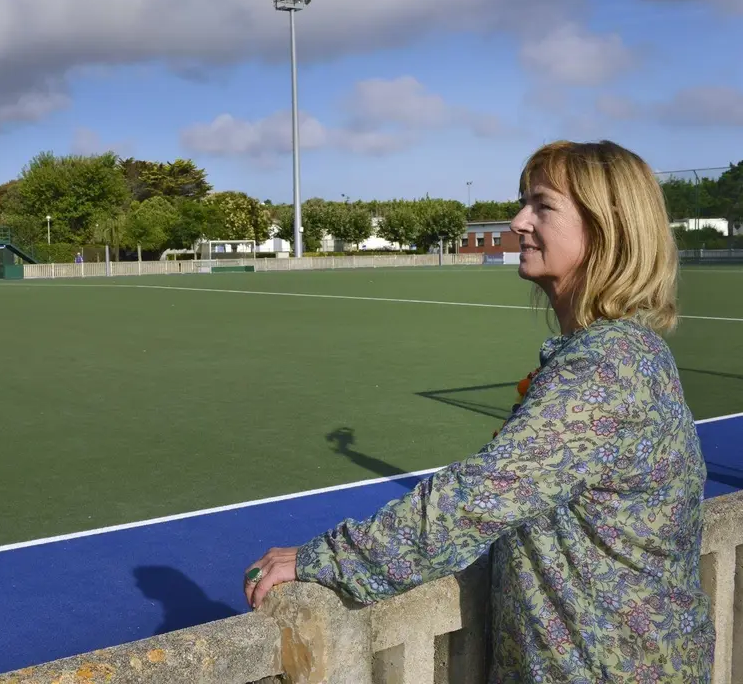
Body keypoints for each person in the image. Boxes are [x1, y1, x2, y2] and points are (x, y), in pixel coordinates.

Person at [244, 140, 714, 682]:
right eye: (523, 202)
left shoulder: (607, 368)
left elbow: (472, 502)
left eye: (542, 205)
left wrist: (321, 558)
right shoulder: (617, 351)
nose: (518, 221)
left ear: (607, 228)